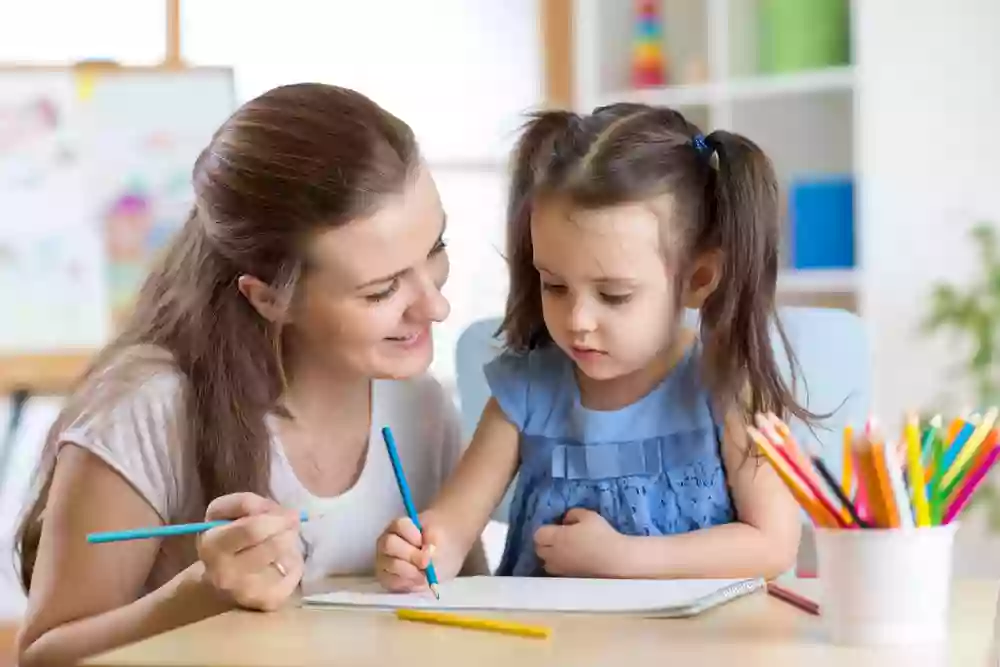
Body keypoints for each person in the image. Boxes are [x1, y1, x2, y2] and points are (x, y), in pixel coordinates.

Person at [15, 83, 486, 667]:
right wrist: (201, 593)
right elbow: (42, 656)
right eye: (381, 290)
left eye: (434, 248)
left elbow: (473, 613)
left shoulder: (421, 408)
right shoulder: (148, 409)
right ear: (268, 299)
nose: (435, 307)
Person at [375, 102, 817, 590]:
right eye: (554, 286)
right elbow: (454, 529)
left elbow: (772, 545)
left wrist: (624, 557)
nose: (578, 321)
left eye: (614, 295)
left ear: (698, 278)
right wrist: (419, 552)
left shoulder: (725, 387)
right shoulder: (526, 393)